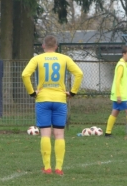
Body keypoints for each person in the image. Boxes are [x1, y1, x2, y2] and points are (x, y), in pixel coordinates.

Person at [22, 35, 83, 175]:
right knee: (59, 134)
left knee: (45, 133)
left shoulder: (37, 58)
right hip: (60, 100)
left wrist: (32, 92)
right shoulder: (64, 58)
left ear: (43, 46)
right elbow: (79, 74)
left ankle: (48, 167)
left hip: (43, 99)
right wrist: (72, 92)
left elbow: (25, 75)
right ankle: (59, 168)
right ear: (56, 47)